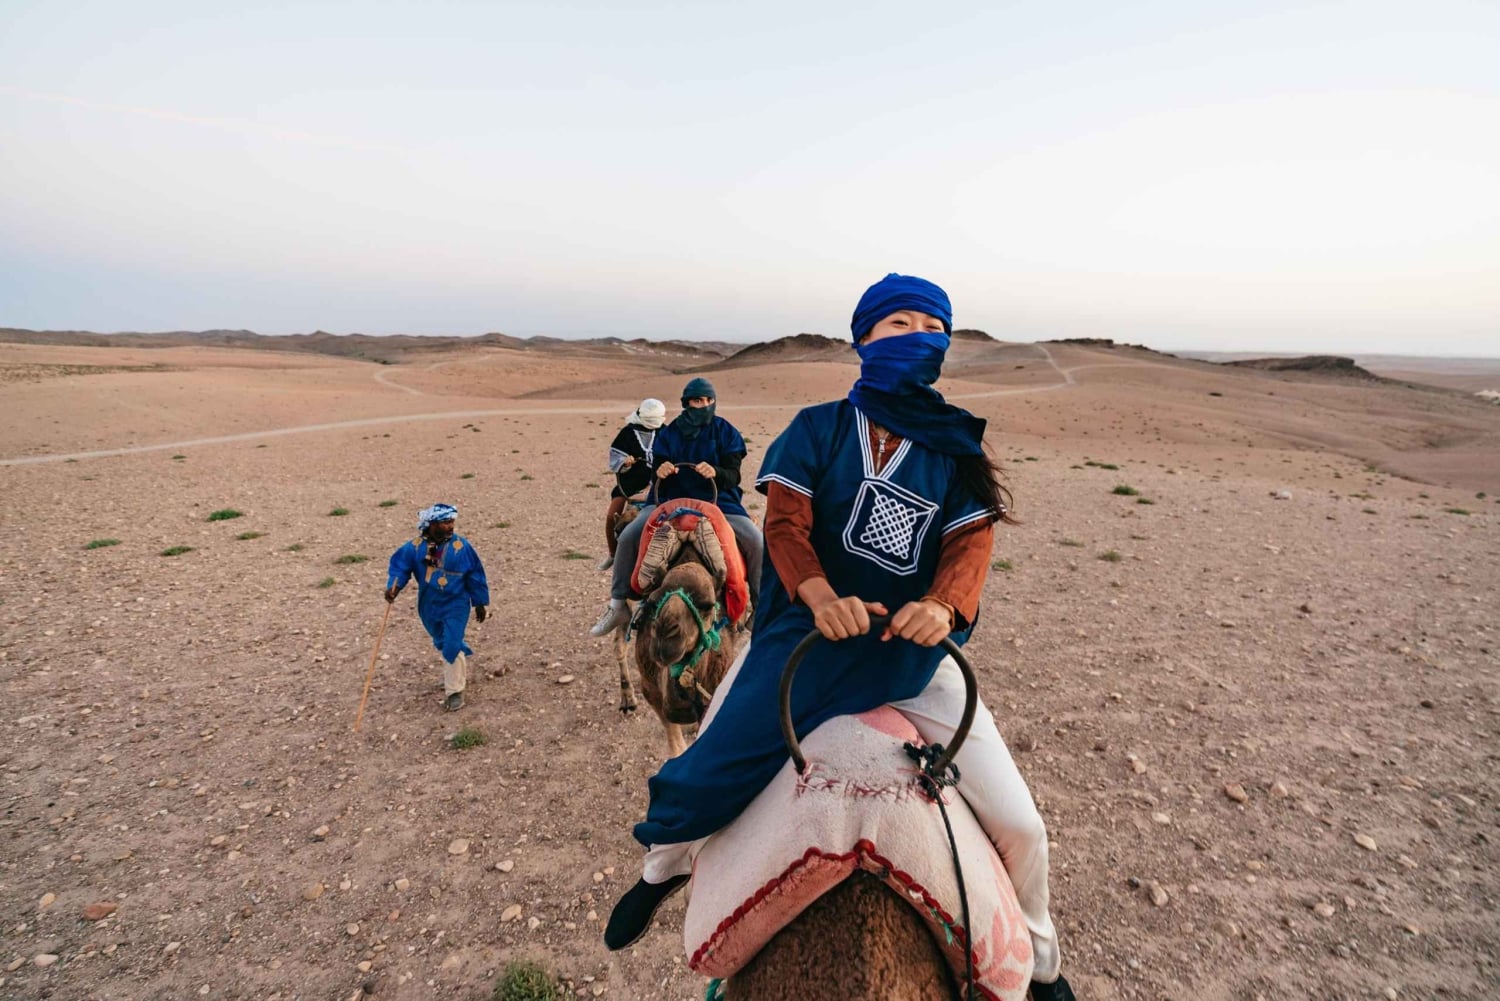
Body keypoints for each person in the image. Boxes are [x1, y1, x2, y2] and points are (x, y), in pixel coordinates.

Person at [602, 275, 1073, 1001]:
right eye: (897, 325)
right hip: (807, 634)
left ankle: (1041, 961)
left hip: (911, 654)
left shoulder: (956, 449)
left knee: (1022, 823)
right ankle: (660, 868)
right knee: (709, 764)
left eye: (930, 326)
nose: (916, 337)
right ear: (864, 339)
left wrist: (943, 609)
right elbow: (786, 523)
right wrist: (818, 593)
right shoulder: (818, 428)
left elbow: (969, 548)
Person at [588, 378, 764, 637]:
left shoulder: (726, 432)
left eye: (708, 400)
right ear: (686, 403)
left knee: (757, 543)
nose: (703, 405)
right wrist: (660, 470)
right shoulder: (668, 433)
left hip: (718, 501)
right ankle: (617, 605)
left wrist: (715, 471)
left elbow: (733, 475)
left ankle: (761, 609)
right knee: (627, 537)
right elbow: (657, 467)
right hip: (668, 499)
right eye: (697, 401)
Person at [385, 503, 491, 712]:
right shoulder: (414, 548)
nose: (450, 526)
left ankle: (455, 691)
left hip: (456, 603)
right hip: (429, 603)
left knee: (452, 641)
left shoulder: (462, 547)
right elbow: (400, 568)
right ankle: (453, 674)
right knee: (442, 640)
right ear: (432, 524)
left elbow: (476, 574)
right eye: (445, 522)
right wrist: (393, 588)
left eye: (452, 522)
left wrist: (480, 602)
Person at [599, 398, 667, 571]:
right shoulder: (628, 433)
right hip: (630, 486)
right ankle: (613, 554)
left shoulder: (666, 433)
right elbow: (616, 457)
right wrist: (625, 462)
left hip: (661, 485)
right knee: (612, 514)